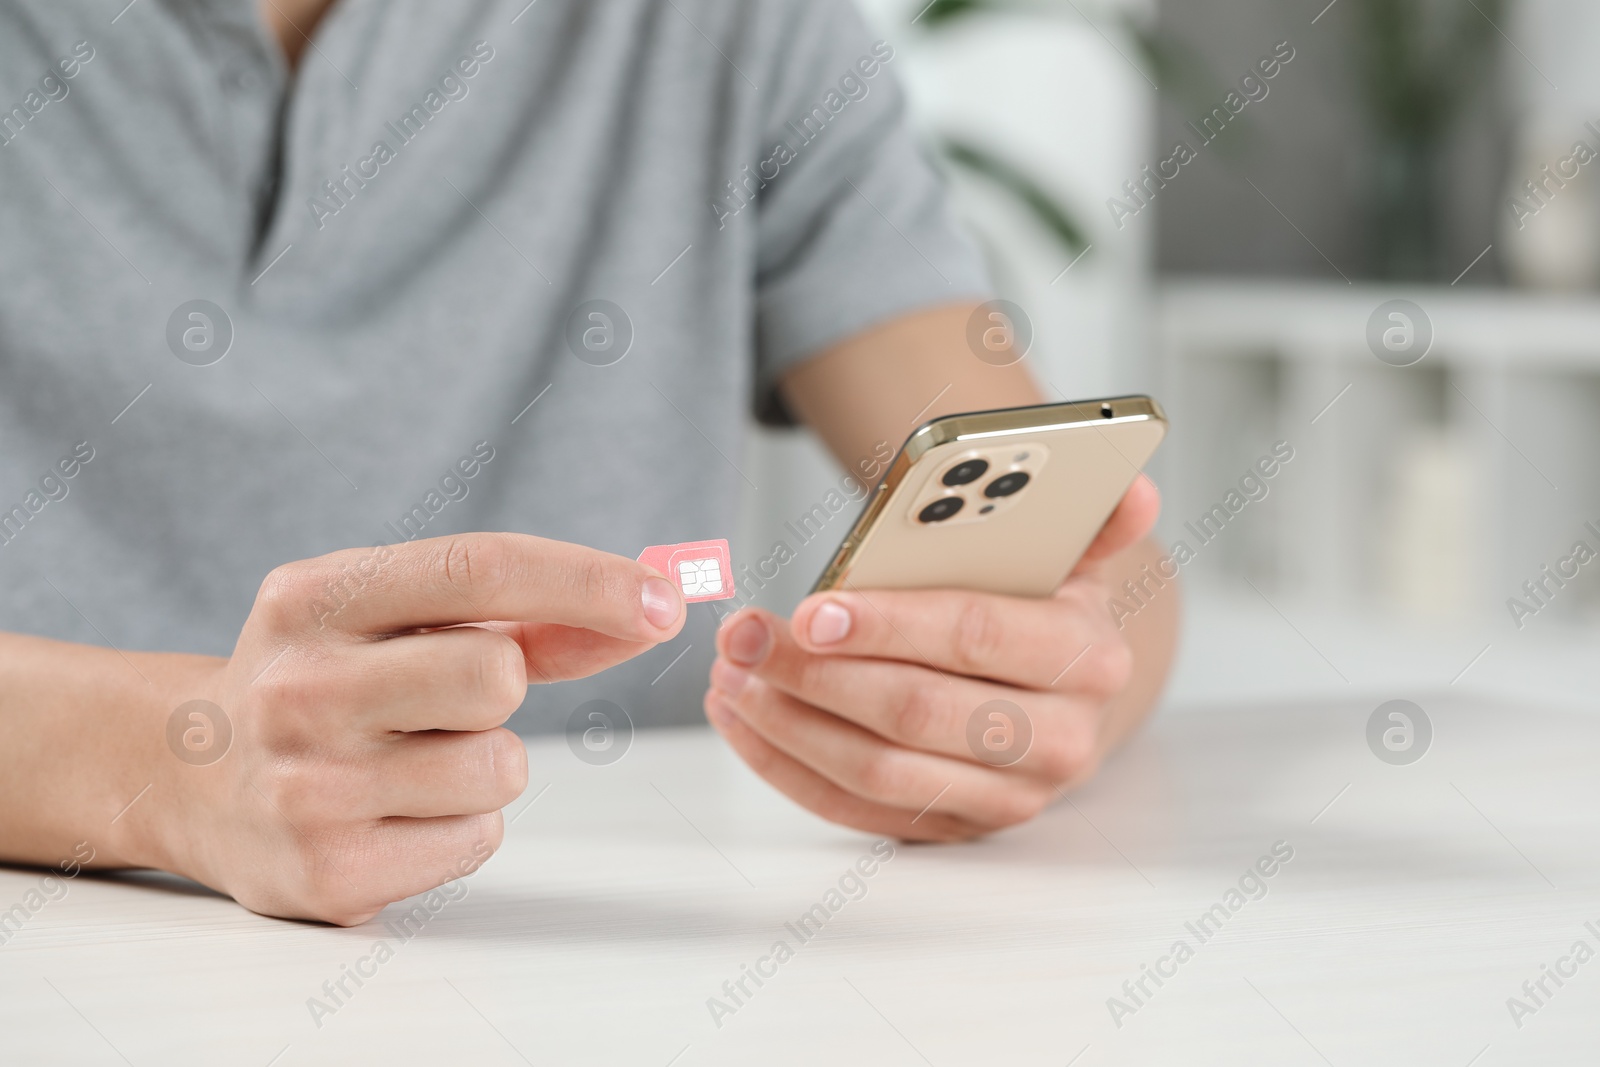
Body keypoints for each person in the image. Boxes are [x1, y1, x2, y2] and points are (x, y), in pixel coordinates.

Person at [0, 0, 1178, 924]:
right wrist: (174, 756)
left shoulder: (729, 24)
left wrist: (1027, 682)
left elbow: (1092, 546)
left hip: (624, 949)